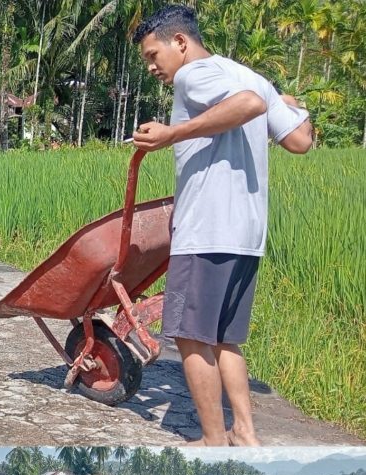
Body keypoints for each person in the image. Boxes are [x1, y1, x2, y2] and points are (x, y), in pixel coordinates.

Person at [131, 5, 313, 446]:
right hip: (247, 234)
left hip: (208, 228)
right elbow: (300, 141)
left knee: (192, 340)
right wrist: (287, 103)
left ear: (180, 42)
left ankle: (213, 440)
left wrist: (173, 134)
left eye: (154, 55)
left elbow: (247, 107)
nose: (153, 67)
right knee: (225, 340)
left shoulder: (195, 75)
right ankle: (244, 434)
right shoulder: (252, 78)